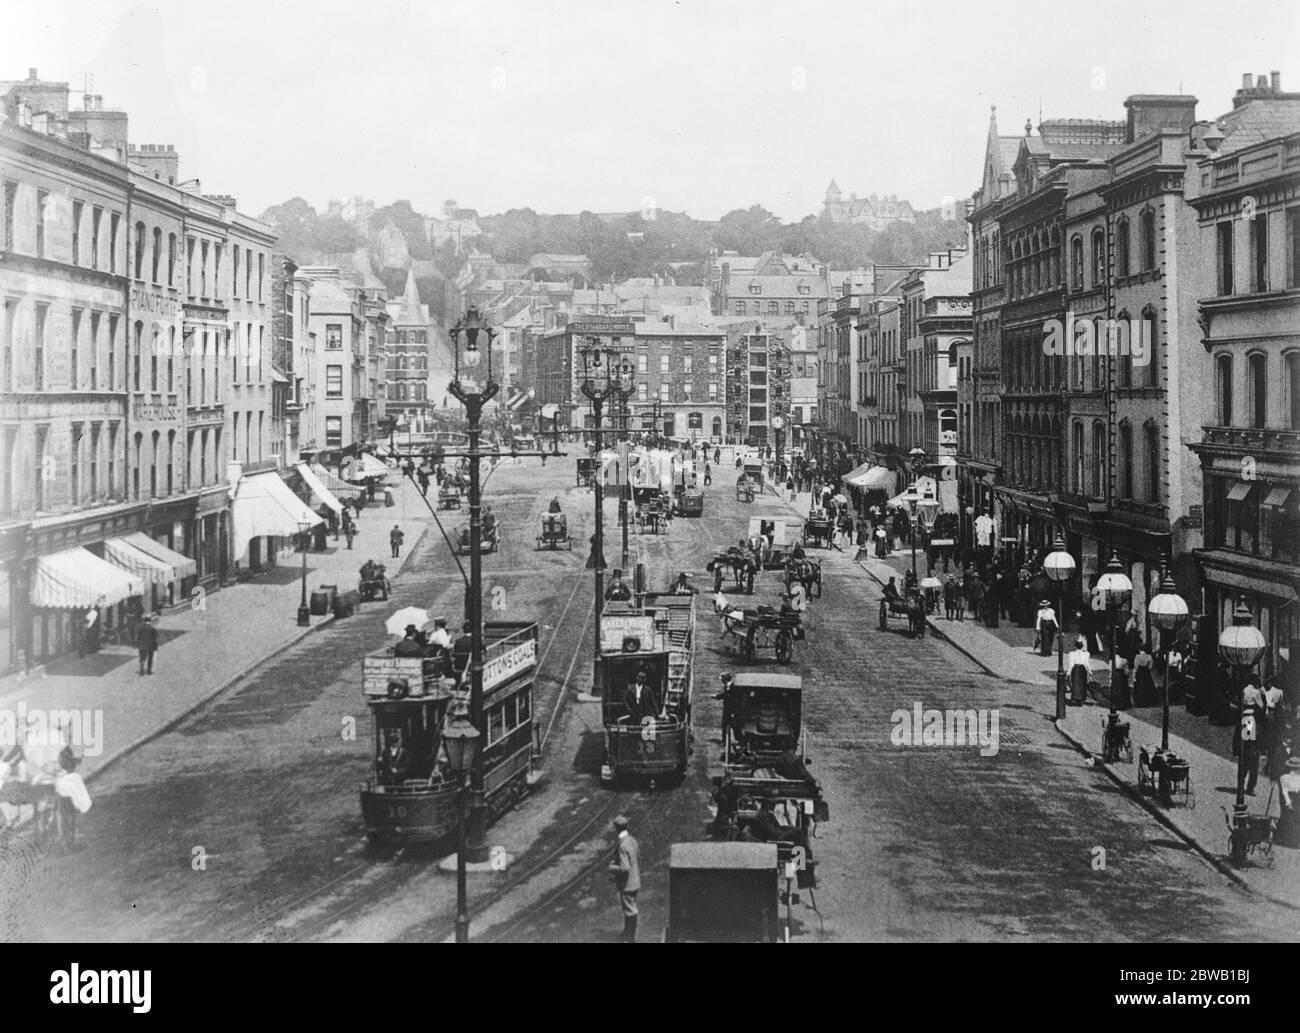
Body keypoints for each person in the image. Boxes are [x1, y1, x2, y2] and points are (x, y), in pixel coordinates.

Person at [607, 815, 641, 943]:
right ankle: (627, 933)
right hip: (635, 880)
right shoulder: (633, 840)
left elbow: (624, 868)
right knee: (630, 908)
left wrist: (612, 868)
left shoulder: (622, 845)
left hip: (627, 884)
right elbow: (638, 859)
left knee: (629, 910)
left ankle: (630, 938)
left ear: (616, 828)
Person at [1234, 678, 1266, 796]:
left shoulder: (1244, 690)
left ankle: (1240, 785)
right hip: (1252, 720)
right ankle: (1250, 787)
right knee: (1253, 755)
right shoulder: (1256, 692)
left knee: (1244, 753)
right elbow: (1261, 706)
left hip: (1244, 720)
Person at [1067, 637, 1091, 705]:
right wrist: (1089, 671)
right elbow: (1086, 663)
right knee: (1082, 683)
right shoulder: (1086, 654)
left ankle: (1075, 697)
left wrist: (1069, 672)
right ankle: (1082, 698)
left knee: (1075, 683)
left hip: (1076, 669)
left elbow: (1071, 664)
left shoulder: (1072, 654)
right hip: (1083, 669)